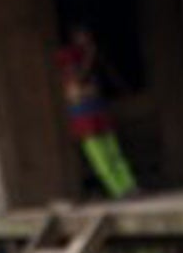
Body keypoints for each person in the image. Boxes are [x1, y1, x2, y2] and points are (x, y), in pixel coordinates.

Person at [55, 26, 137, 200]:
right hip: (82, 114)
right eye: (82, 34)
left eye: (88, 34)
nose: (87, 37)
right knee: (100, 157)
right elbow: (78, 79)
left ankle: (130, 187)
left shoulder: (90, 55)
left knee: (114, 151)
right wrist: (90, 56)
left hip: (98, 110)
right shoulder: (67, 56)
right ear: (73, 36)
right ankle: (119, 191)